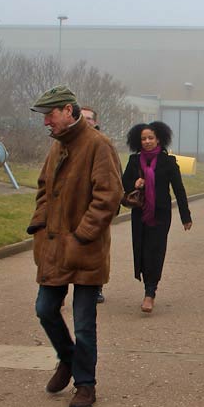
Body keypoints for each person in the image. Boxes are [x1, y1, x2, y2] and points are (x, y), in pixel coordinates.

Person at [27, 86, 123, 407]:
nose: (46, 122)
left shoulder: (98, 145)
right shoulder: (57, 146)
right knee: (44, 309)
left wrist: (82, 235)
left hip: (85, 249)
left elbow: (108, 196)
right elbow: (44, 189)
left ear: (68, 110)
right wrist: (40, 224)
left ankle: (85, 384)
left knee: (84, 322)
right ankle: (68, 358)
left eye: (50, 114)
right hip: (54, 247)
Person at [122, 121, 192, 313]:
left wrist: (185, 216)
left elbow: (179, 189)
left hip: (160, 214)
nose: (147, 141)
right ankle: (147, 284)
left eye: (150, 138)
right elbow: (123, 183)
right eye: (143, 139)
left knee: (156, 251)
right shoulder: (134, 161)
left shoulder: (168, 162)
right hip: (139, 213)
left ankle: (150, 291)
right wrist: (134, 183)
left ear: (159, 139)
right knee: (142, 251)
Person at [81, 106, 112, 304]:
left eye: (89, 119)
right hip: (72, 207)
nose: (85, 122)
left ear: (95, 122)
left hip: (96, 207)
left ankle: (96, 286)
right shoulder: (66, 143)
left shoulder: (103, 144)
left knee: (97, 250)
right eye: (81, 118)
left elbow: (112, 178)